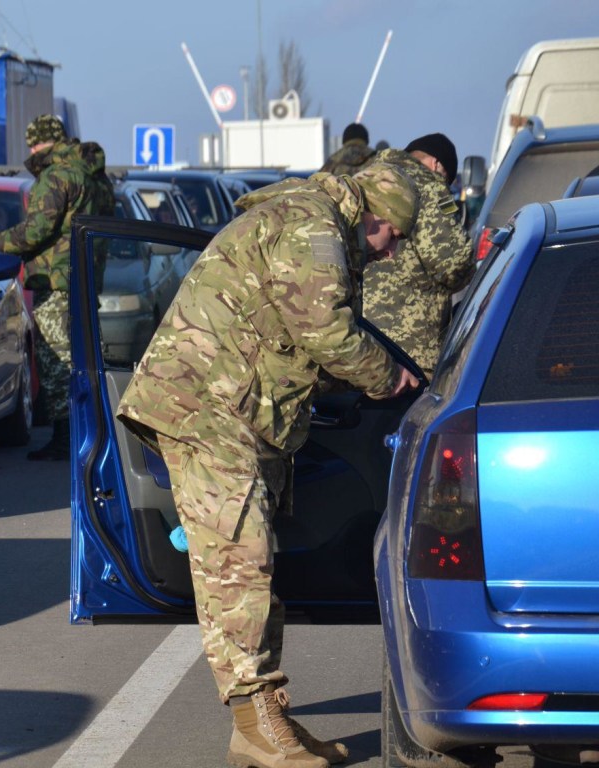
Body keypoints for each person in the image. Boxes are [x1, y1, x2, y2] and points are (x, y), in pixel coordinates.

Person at [116, 163, 421, 768]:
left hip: (232, 411)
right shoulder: (315, 228)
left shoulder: (313, 221)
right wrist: (392, 380)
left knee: (256, 566)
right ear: (377, 220)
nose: (392, 255)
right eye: (395, 240)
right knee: (239, 566)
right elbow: (327, 333)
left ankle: (268, 718)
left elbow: (295, 332)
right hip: (205, 409)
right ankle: (253, 728)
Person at [0, 114, 115, 460]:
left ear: (38, 143)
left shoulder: (55, 177)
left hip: (57, 281)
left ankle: (67, 438)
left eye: (32, 144)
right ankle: (89, 431)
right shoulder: (94, 176)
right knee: (82, 358)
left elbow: (35, 232)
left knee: (54, 359)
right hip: (85, 278)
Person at [363, 133, 475, 379]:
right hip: (410, 349)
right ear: (437, 164)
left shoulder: (369, 178)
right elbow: (453, 263)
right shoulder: (429, 186)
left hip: (360, 343)